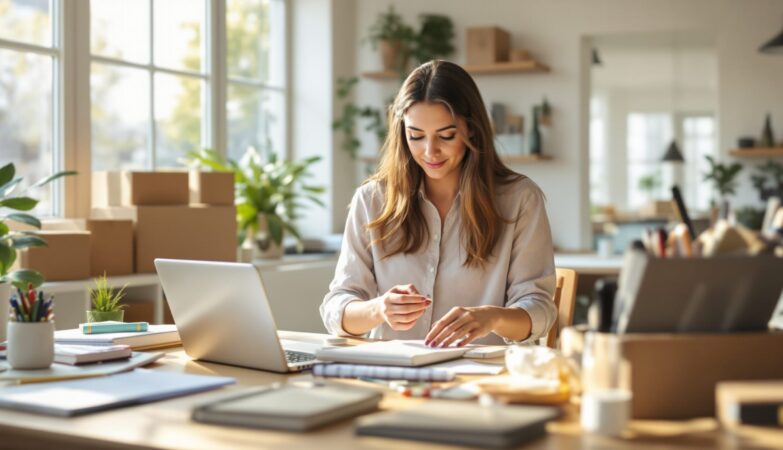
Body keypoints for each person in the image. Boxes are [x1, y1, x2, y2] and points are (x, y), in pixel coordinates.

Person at [320, 60, 556, 347]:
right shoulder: (372, 200)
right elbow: (336, 307)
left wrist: (492, 318)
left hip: (479, 381)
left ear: (471, 129)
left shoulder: (520, 199)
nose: (430, 151)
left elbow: (540, 310)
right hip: (393, 376)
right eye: (415, 136)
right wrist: (377, 309)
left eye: (446, 135)